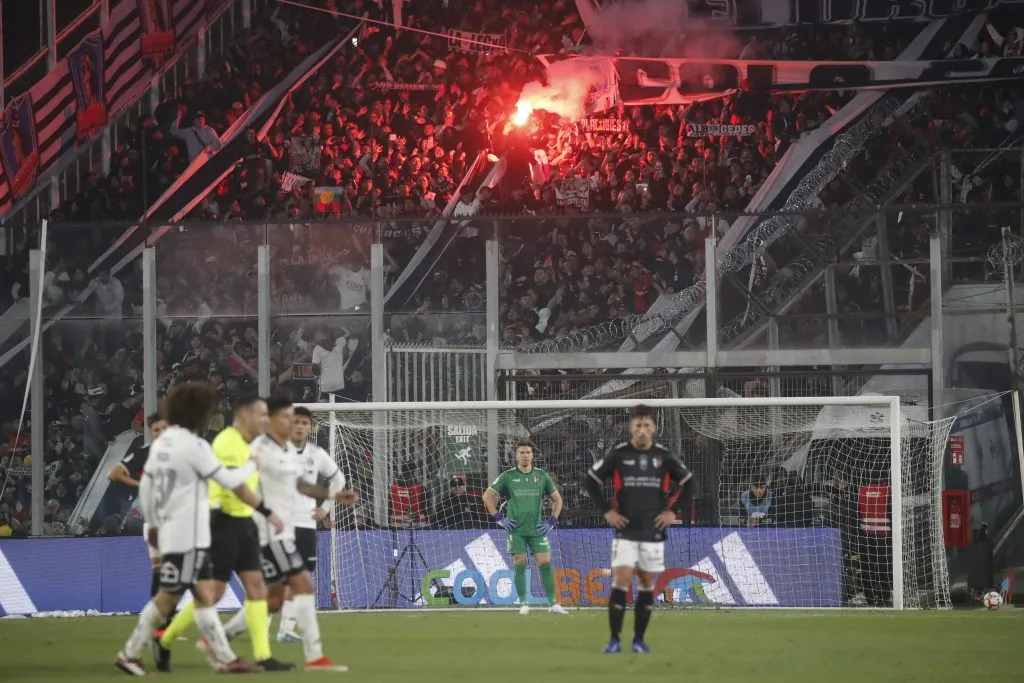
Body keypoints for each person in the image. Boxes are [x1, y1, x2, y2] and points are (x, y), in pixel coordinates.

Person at [114, 383, 275, 675]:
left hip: (174, 529)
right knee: (168, 598)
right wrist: (252, 466)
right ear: (199, 413)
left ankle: (225, 659)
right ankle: (129, 653)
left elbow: (148, 485)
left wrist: (152, 522)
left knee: (203, 597)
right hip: (188, 534)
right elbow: (227, 479)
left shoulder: (161, 443)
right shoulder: (194, 445)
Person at [213, 396, 355, 671]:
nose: (293, 423)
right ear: (274, 420)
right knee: (303, 584)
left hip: (285, 528)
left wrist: (334, 496)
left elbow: (301, 486)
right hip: (268, 531)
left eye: (298, 419)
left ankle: (220, 638)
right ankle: (315, 657)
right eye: (288, 417)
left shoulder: (288, 451)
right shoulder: (260, 448)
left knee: (275, 599)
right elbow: (238, 483)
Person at [155, 393, 293, 672]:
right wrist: (267, 512)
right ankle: (165, 638)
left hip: (244, 524)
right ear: (245, 415)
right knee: (213, 594)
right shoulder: (228, 442)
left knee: (256, 589)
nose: (267, 420)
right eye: (263, 414)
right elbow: (236, 487)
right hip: (222, 524)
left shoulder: (246, 444)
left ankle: (263, 656)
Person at [582, 404, 695, 654]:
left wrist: (671, 513)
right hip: (626, 530)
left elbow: (690, 484)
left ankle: (639, 640)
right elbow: (590, 481)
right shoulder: (618, 454)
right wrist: (606, 511)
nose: (642, 430)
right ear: (630, 428)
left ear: (653, 428)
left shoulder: (664, 456)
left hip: (652, 531)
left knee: (646, 582)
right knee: (621, 580)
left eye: (646, 425)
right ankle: (614, 640)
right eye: (637, 425)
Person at [276, 405, 348, 642]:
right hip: (279, 526)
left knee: (297, 580)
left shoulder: (316, 454)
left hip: (305, 525)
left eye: (304, 423)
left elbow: (339, 478)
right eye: (296, 422)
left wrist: (325, 509)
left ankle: (284, 630)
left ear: (310, 427)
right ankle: (274, 628)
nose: (299, 426)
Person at [482, 439, 568, 615]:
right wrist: (498, 517)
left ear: (532, 455)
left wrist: (552, 521)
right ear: (516, 456)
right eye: (521, 452)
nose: (525, 456)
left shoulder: (542, 476)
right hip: (516, 530)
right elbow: (487, 496)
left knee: (545, 562)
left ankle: (553, 604)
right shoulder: (508, 476)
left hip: (537, 529)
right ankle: (523, 604)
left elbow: (557, 499)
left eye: (528, 452)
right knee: (519, 562)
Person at [107, 412, 169, 608]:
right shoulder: (143, 453)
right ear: (150, 433)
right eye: (155, 430)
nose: (160, 433)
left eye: (164, 429)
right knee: (161, 569)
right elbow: (114, 473)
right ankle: (159, 618)